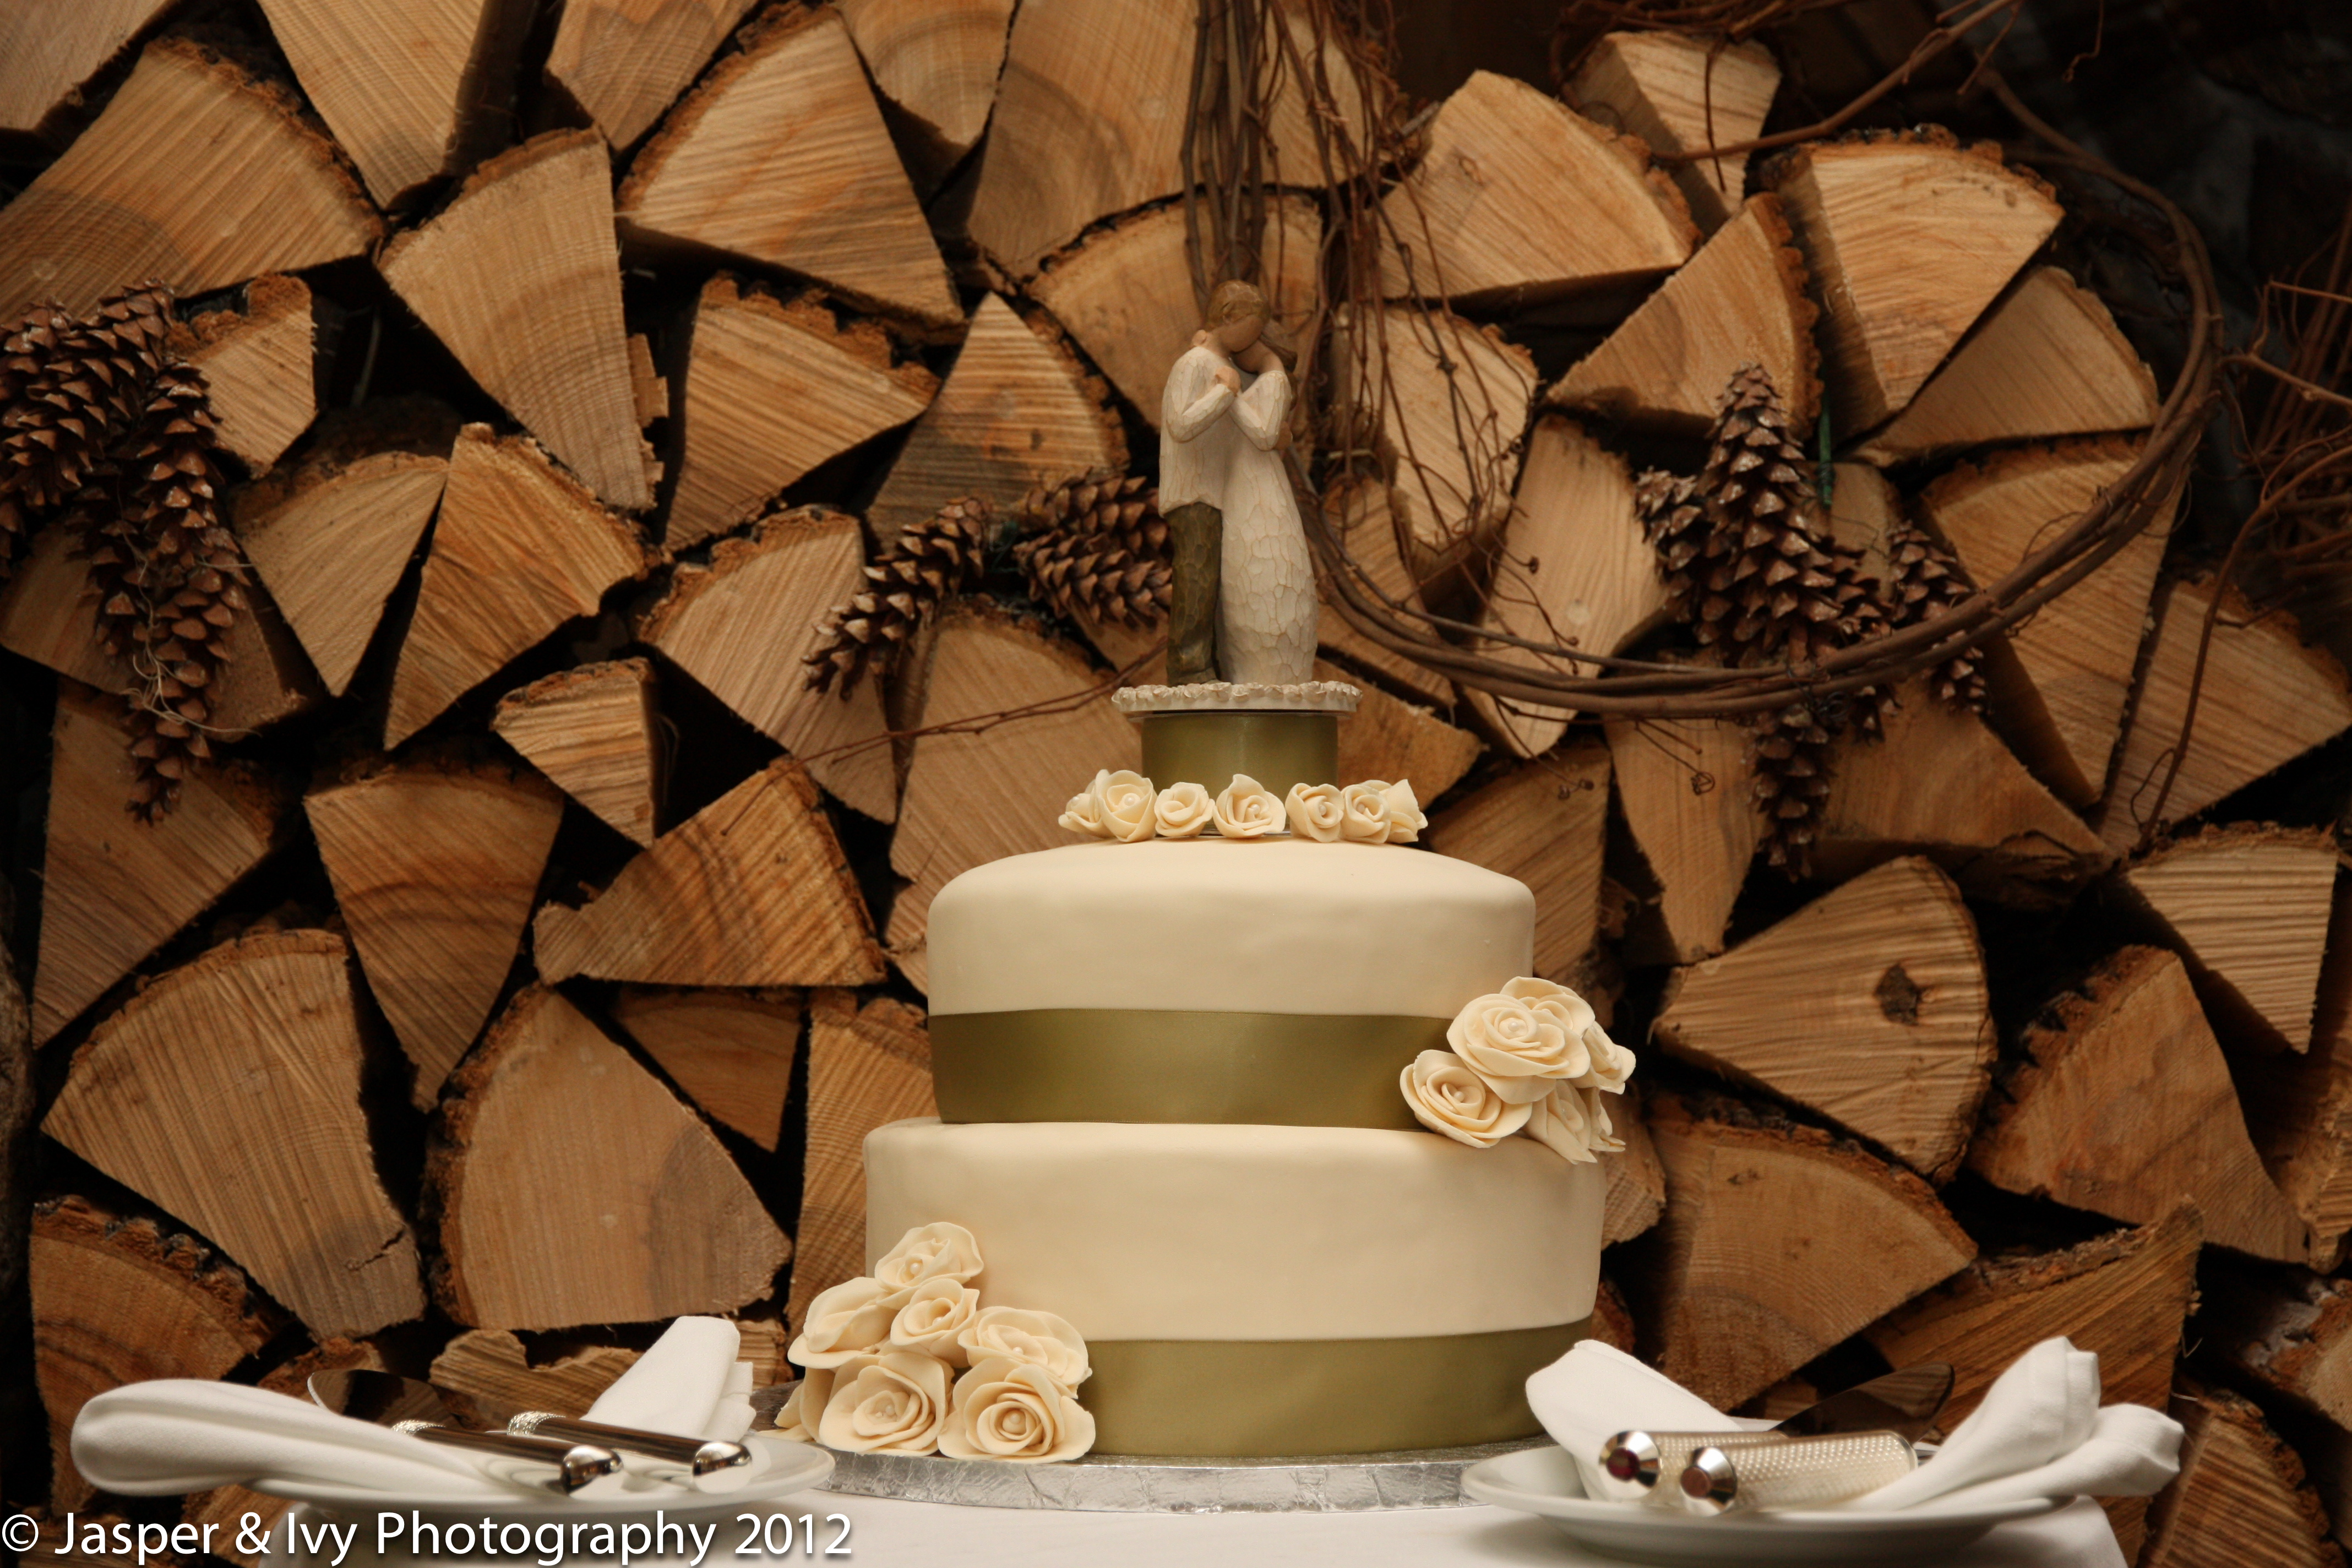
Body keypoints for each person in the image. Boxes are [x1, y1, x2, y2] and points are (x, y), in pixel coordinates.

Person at [1157, 280, 1316, 685]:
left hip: (1217, 489)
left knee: (1210, 581)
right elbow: (1180, 424)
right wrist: (1223, 395)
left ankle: (1208, 664)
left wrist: (1272, 426)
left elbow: (1255, 421)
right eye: (1251, 324)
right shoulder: (1194, 364)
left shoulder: (1223, 369)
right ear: (1230, 318)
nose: (1255, 335)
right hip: (1193, 488)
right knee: (1196, 574)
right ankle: (1189, 667)